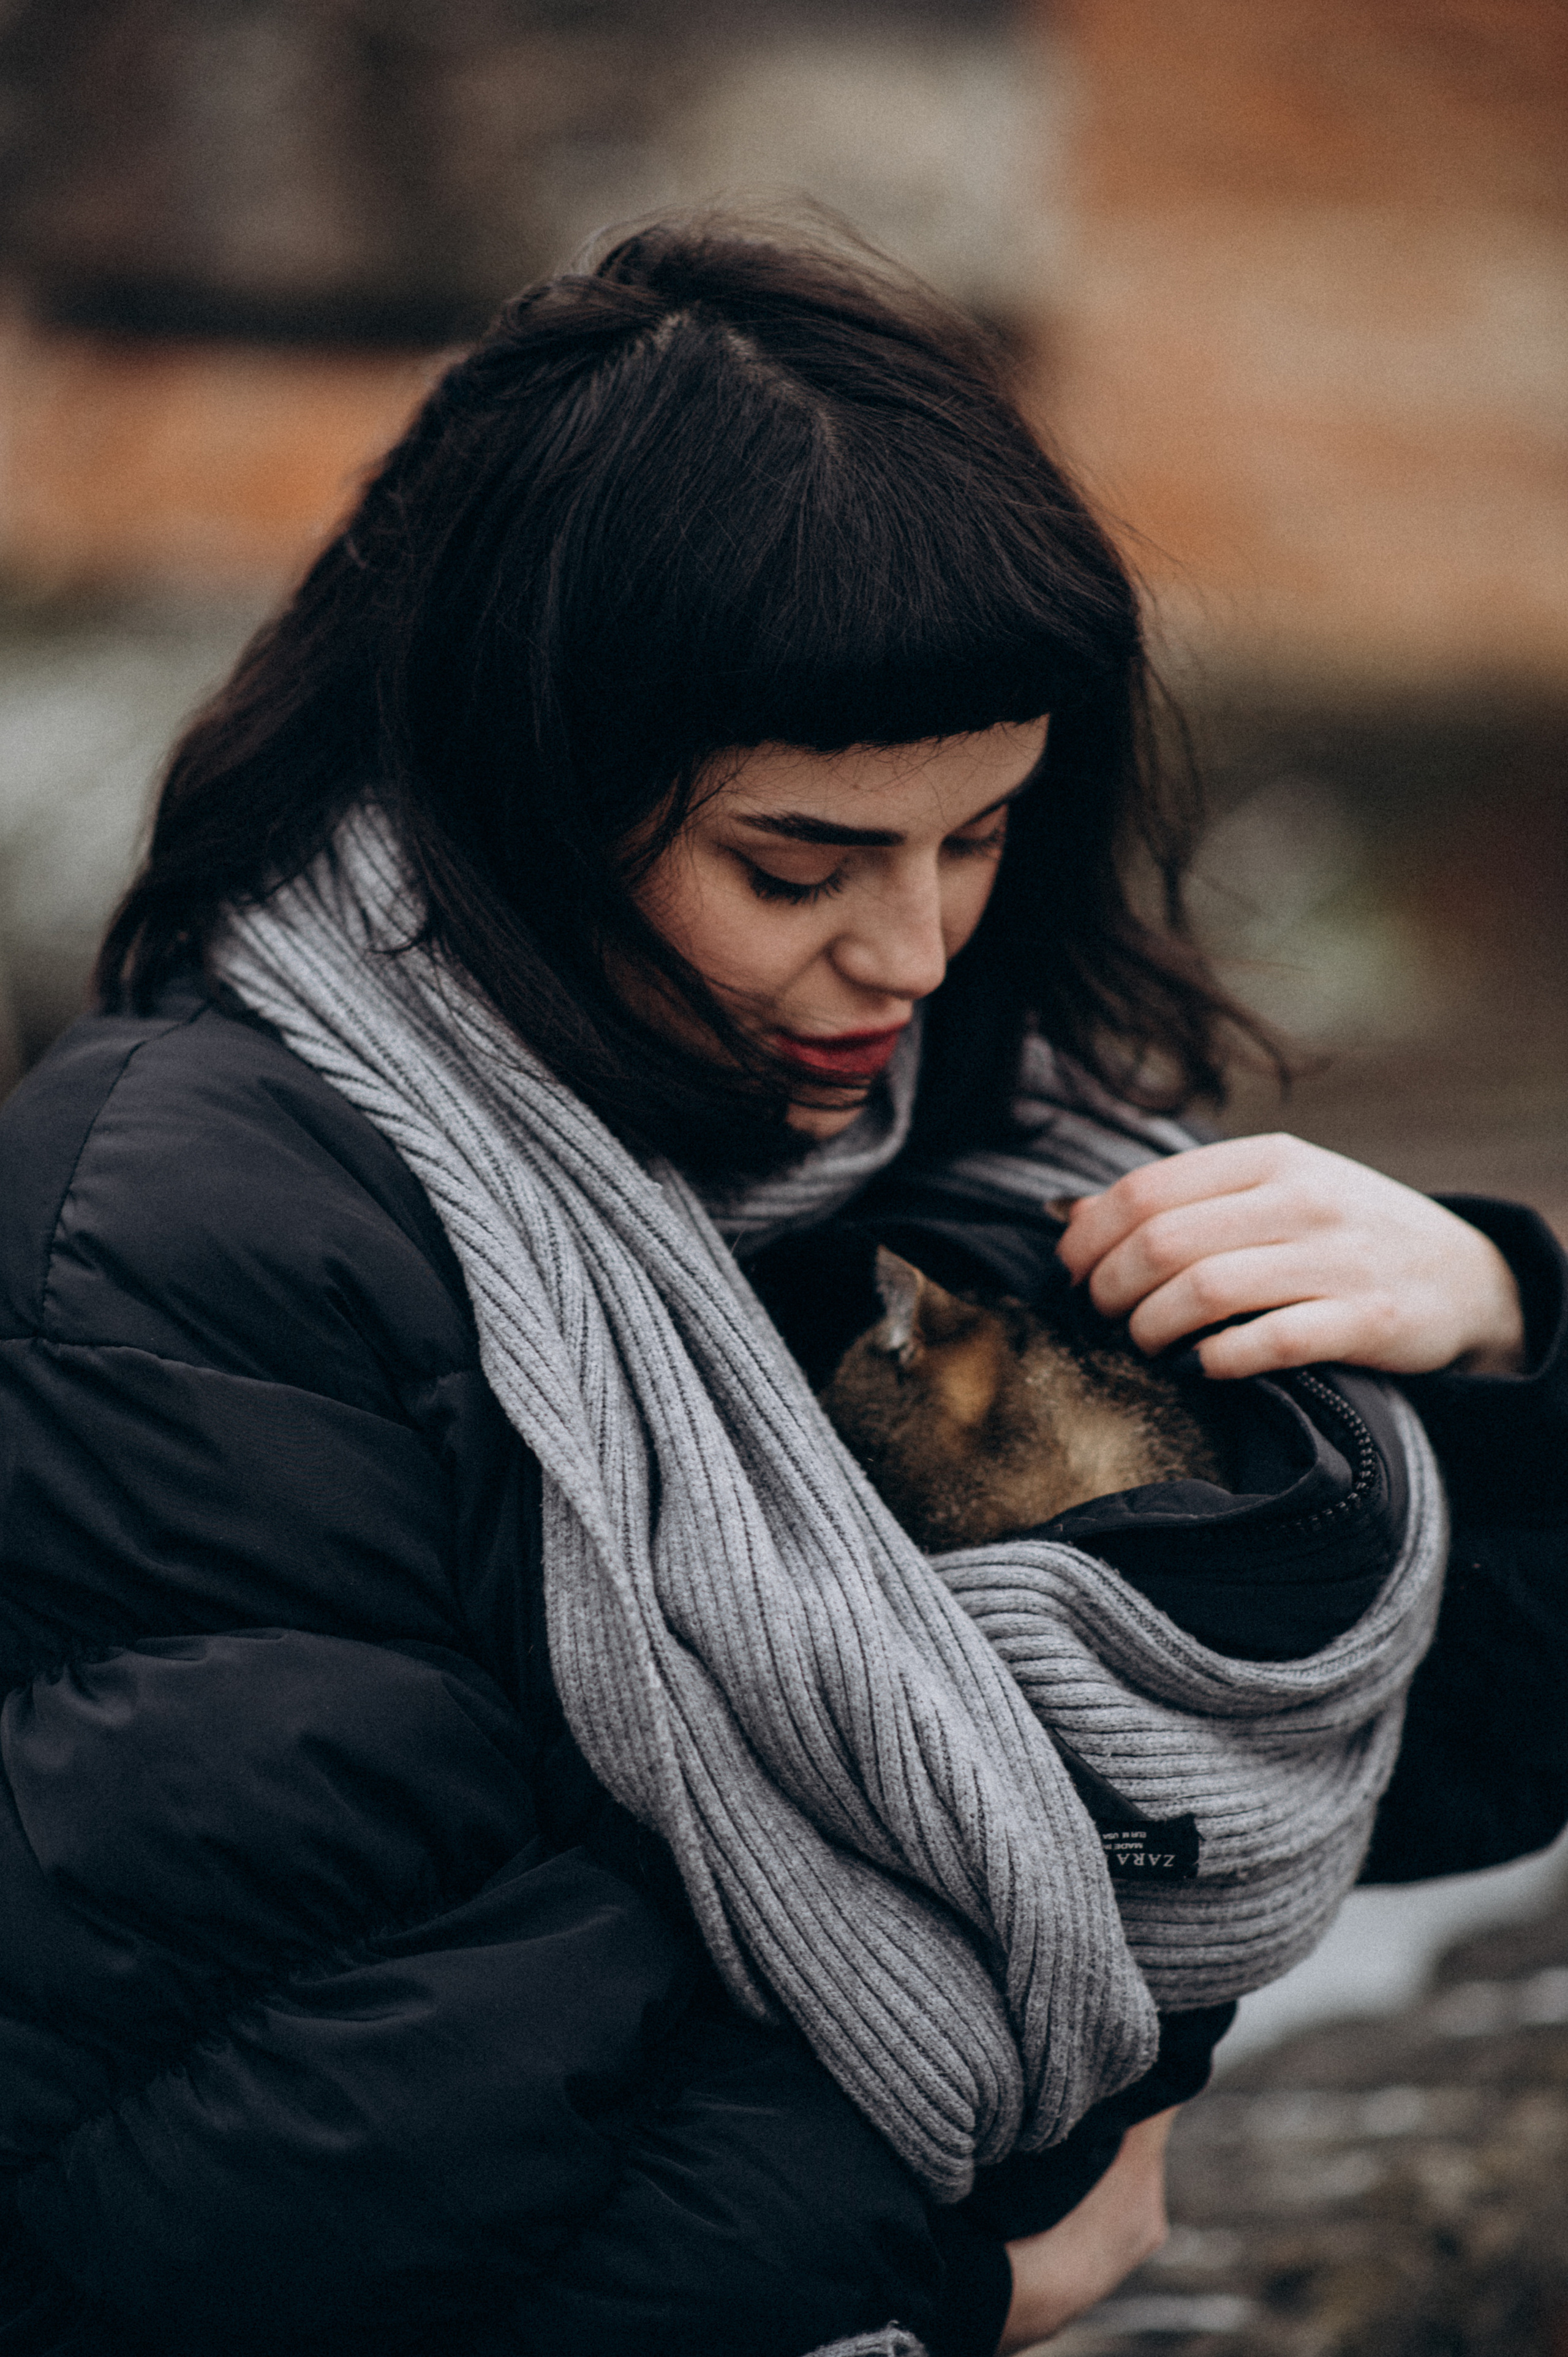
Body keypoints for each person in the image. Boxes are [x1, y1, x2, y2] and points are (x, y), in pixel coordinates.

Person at [0, 219, 1563, 2357]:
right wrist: (960, 2263)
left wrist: (1488, 1328)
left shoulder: (977, 1137)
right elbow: (251, 2157)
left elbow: (1429, 1758)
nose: (913, 957)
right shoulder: (183, 1243)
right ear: (529, 791)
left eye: (986, 834)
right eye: (796, 868)